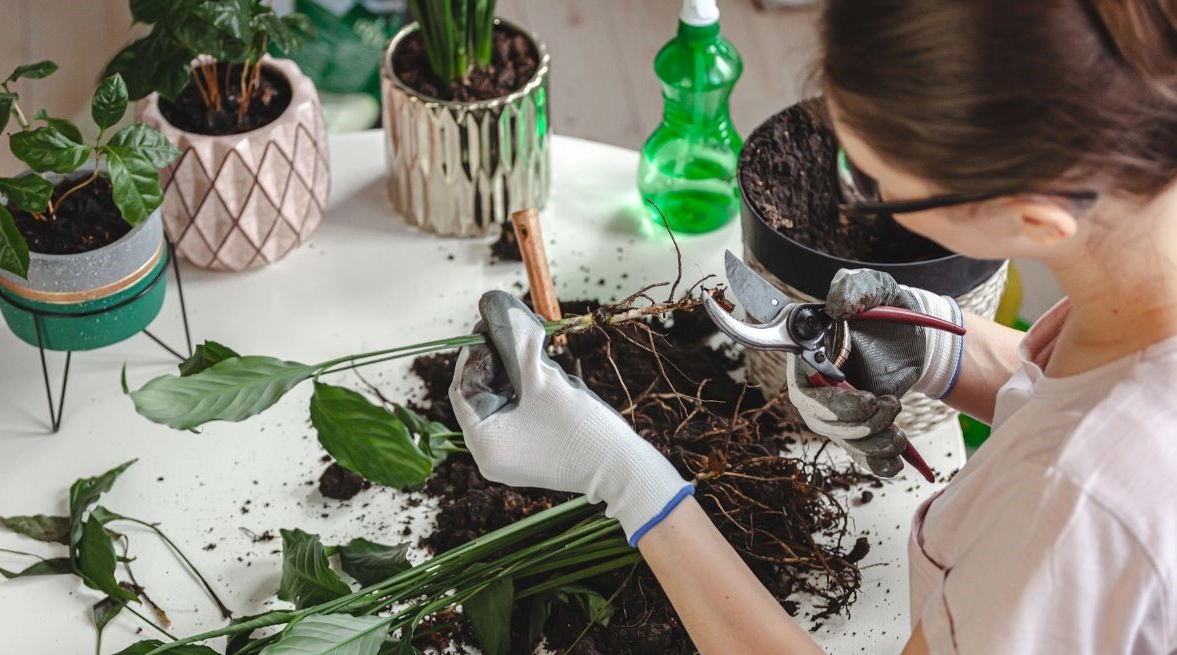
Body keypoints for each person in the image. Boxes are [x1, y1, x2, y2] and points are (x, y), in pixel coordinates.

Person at [448, 0, 1177, 653]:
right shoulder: (1146, 251)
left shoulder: (1074, 515)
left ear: (1033, 220)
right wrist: (940, 350)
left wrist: (628, 479)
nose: (858, 194)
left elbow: (1092, 463)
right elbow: (1091, 396)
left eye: (875, 186)